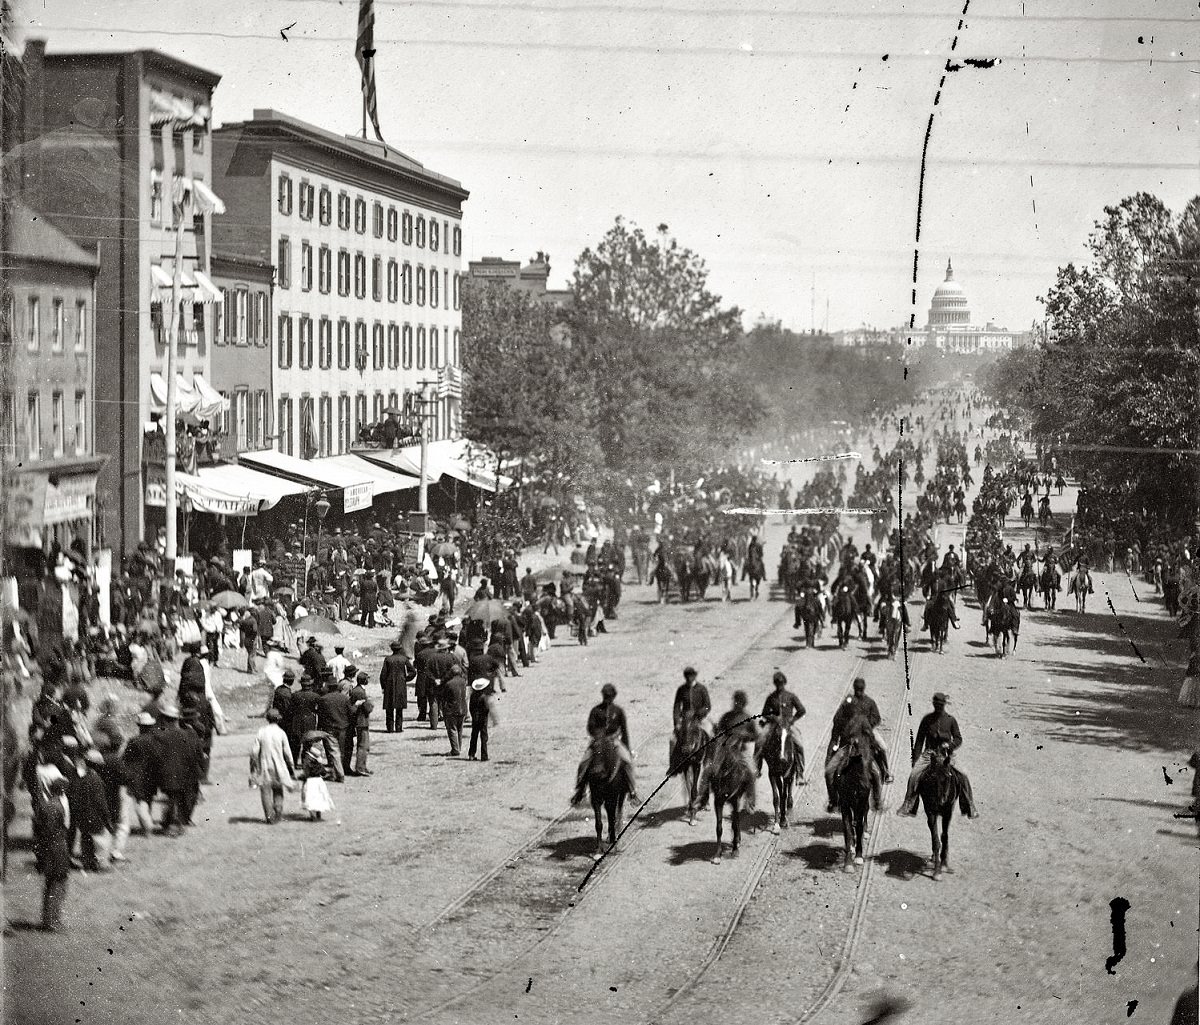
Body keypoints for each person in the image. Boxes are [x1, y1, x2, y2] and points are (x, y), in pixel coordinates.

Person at [897, 693, 978, 817]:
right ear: (933, 705)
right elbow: (919, 741)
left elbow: (958, 738)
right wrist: (915, 759)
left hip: (946, 755)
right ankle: (908, 805)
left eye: (940, 705)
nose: (938, 707)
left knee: (963, 775)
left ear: (944, 705)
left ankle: (970, 806)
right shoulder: (927, 720)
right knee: (914, 775)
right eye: (936, 705)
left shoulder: (951, 720)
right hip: (930, 754)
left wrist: (949, 745)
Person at [825, 677, 892, 813]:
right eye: (857, 690)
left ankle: (881, 790)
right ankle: (833, 800)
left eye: (861, 690)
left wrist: (866, 726)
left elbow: (877, 717)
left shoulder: (869, 702)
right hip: (847, 743)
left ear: (863, 689)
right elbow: (837, 719)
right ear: (854, 689)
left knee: (878, 763)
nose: (859, 692)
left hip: (866, 735)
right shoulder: (848, 702)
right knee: (829, 772)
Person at [572, 683, 639, 804]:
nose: (607, 698)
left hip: (614, 741)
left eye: (609, 696)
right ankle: (580, 790)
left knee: (628, 761)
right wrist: (598, 736)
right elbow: (590, 727)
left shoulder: (618, 711)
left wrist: (627, 747)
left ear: (613, 696)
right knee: (584, 762)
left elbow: (624, 730)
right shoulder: (596, 710)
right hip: (598, 741)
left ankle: (632, 791)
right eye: (605, 696)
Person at [250, 708, 297, 824]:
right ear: (278, 719)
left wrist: (253, 765)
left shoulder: (261, 731)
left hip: (265, 766)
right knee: (278, 790)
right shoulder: (281, 733)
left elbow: (254, 752)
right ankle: (278, 811)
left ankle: (269, 817)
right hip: (278, 766)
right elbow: (287, 753)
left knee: (265, 791)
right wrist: (291, 766)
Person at [36, 776, 71, 931]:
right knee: (58, 884)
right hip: (57, 848)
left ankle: (48, 919)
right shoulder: (56, 807)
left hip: (50, 848)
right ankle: (52, 921)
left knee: (51, 884)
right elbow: (52, 830)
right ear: (62, 790)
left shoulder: (46, 805)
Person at [757, 670, 805, 777]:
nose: (779, 685)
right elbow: (764, 713)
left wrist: (792, 720)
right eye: (777, 683)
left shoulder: (791, 696)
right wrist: (773, 717)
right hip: (773, 725)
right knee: (760, 739)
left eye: (781, 683)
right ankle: (757, 768)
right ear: (775, 684)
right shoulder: (771, 697)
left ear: (784, 683)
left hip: (788, 725)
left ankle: (800, 772)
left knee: (799, 744)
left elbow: (801, 710)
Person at [316, 679, 353, 778]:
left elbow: (321, 715)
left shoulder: (323, 699)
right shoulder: (344, 698)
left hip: (329, 728)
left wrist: (320, 727)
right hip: (342, 727)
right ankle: (340, 771)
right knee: (341, 750)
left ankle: (335, 772)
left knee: (332, 751)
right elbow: (350, 712)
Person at [379, 641, 413, 732]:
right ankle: (399, 728)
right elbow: (413, 671)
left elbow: (383, 675)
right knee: (399, 708)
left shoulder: (388, 659)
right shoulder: (404, 659)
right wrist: (406, 679)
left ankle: (390, 728)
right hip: (401, 685)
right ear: (400, 648)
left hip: (389, 685)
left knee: (389, 708)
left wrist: (383, 686)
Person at [348, 672, 374, 776]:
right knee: (363, 745)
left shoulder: (357, 690)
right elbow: (367, 708)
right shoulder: (360, 692)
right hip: (362, 721)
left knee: (363, 745)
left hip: (359, 721)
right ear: (364, 680)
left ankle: (362, 766)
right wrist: (371, 705)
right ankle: (360, 767)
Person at [468, 675, 495, 762]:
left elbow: (470, 708)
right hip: (483, 719)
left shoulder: (473, 696)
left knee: (474, 736)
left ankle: (471, 754)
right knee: (484, 737)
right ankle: (484, 755)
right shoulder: (484, 697)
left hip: (475, 718)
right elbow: (487, 709)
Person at [238, 608, 259, 674]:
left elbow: (241, 628)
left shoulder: (245, 621)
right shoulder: (253, 621)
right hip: (252, 639)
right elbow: (255, 630)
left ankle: (253, 667)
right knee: (252, 654)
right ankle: (251, 669)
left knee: (250, 654)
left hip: (246, 638)